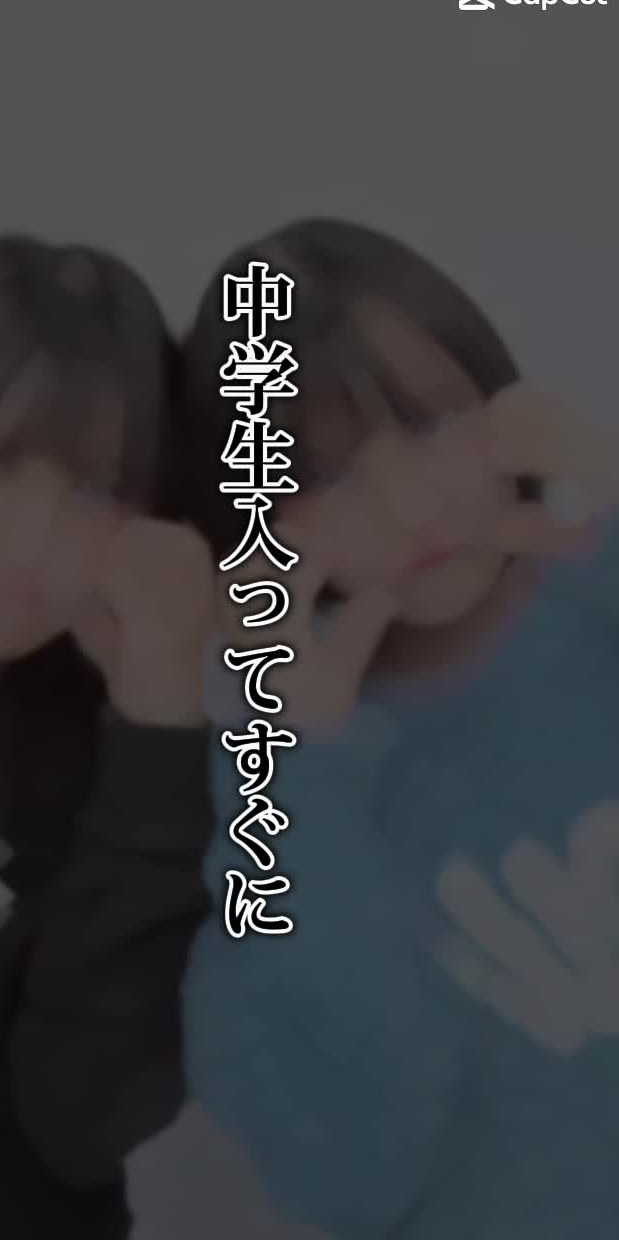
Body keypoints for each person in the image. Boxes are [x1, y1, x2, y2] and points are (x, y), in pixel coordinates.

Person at [180, 217, 619, 1239]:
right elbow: (345, 1175)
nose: (412, 506)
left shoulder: (596, 603)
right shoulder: (271, 780)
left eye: (429, 424)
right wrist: (298, 772)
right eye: (323, 477)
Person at [0, 236, 213, 1239]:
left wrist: (159, 728)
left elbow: (92, 1121)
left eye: (92, 490)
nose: (30, 537)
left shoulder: (144, 750)